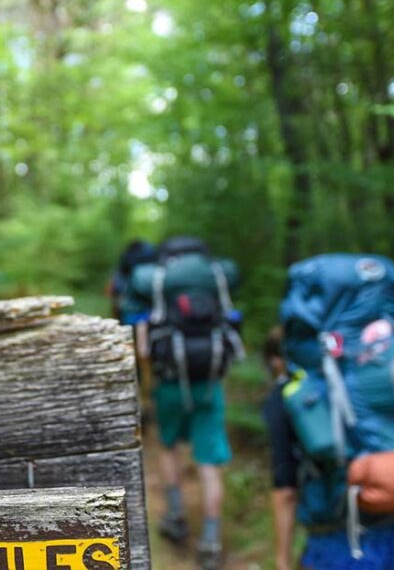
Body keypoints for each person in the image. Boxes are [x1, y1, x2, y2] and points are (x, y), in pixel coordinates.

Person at [263, 330, 394, 569]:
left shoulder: (288, 397)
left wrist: (282, 560)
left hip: (339, 537)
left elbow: (285, 488)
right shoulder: (362, 376)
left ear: (279, 359)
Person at [130, 236, 242, 570]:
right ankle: (211, 540)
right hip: (209, 383)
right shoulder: (216, 275)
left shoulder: (159, 280)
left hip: (169, 383)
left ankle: (175, 516)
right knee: (209, 461)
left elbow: (144, 347)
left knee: (169, 447)